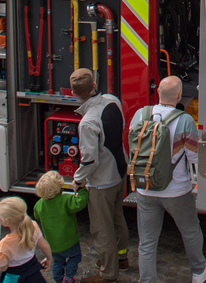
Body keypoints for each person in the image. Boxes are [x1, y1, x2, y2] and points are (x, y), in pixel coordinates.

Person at [132, 76, 206, 283]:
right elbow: (194, 157)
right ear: (179, 96)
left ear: (158, 92)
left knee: (147, 242)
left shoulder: (140, 114)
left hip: (145, 187)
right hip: (177, 190)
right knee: (190, 231)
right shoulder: (184, 120)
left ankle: (147, 280)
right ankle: (199, 270)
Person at [70, 68, 129, 283]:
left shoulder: (87, 122)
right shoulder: (113, 101)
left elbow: (89, 160)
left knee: (101, 229)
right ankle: (121, 258)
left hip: (102, 182)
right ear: (94, 85)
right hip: (120, 171)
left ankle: (108, 273)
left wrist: (77, 180)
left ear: (75, 93)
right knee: (117, 217)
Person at [34, 171, 88, 283]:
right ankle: (68, 277)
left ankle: (58, 279)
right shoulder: (65, 200)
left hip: (52, 243)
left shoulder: (39, 205)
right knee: (75, 257)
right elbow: (80, 202)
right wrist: (82, 190)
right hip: (69, 241)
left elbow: (37, 216)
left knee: (58, 262)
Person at [0, 197, 53, 283]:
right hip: (33, 271)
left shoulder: (5, 243)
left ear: (6, 221)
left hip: (15, 277)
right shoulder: (33, 225)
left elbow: (2, 267)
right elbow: (44, 245)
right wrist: (49, 258)